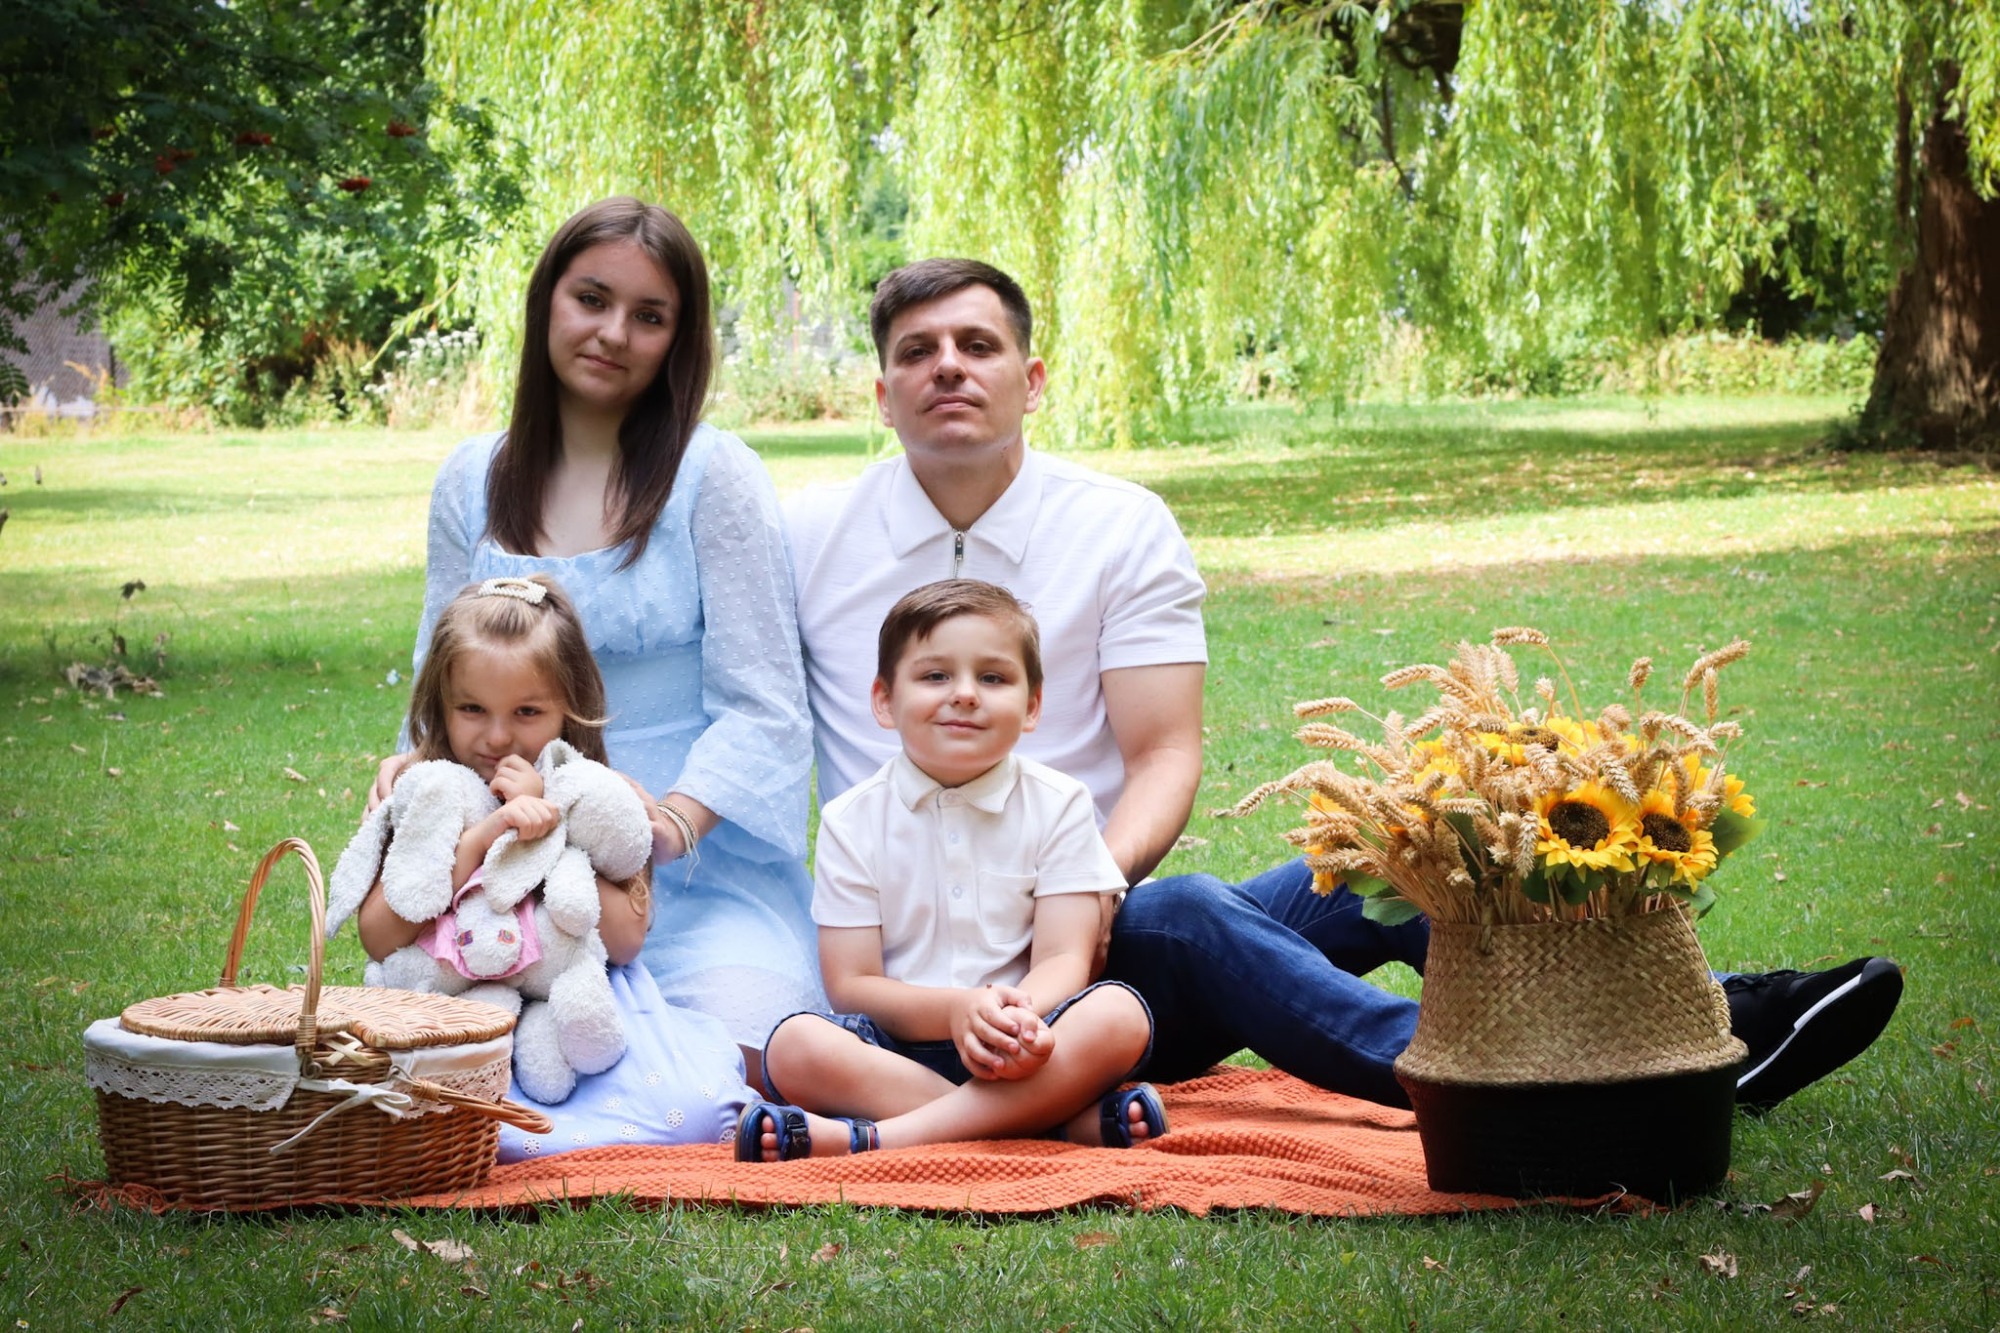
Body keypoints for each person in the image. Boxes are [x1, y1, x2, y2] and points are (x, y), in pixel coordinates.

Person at [785, 257, 1904, 1115]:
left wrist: (1088, 885)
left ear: (1030, 380)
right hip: (962, 974)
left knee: (1401, 857)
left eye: (976, 344)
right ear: (881, 392)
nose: (948, 366)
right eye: (918, 350)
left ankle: (1699, 1018)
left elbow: (1164, 751)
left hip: (1102, 913)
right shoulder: (810, 538)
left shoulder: (1116, 525)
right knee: (1193, 916)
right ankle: (1499, 1076)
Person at [373, 197, 824, 1089]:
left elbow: (768, 707)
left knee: (733, 1061)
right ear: (548, 299)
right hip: (505, 865)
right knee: (440, 1062)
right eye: (591, 299)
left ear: (678, 340)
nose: (614, 332)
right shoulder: (471, 479)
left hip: (686, 869)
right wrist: (414, 778)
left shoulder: (713, 475)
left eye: (649, 316)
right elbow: (439, 685)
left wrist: (665, 827)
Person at [740, 580, 1166, 1161]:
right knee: (793, 1046)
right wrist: (957, 1011)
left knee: (1120, 1013)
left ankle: (876, 1138)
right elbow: (851, 982)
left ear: (1032, 705)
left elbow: (1066, 957)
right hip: (898, 1050)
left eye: (992, 678)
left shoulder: (1060, 803)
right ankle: (1052, 1126)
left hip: (1027, 1040)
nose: (964, 694)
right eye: (936, 675)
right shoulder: (851, 819)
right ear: (884, 700)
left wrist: (1010, 1021)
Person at [353, 574, 752, 1158]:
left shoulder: (592, 795)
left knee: (688, 1116)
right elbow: (378, 935)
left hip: (574, 1008)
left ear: (570, 709)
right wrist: (486, 836)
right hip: (453, 1012)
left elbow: (625, 940)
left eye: (527, 711)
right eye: (471, 708)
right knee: (417, 1124)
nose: (497, 736)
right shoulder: (425, 792)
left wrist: (549, 827)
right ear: (440, 704)